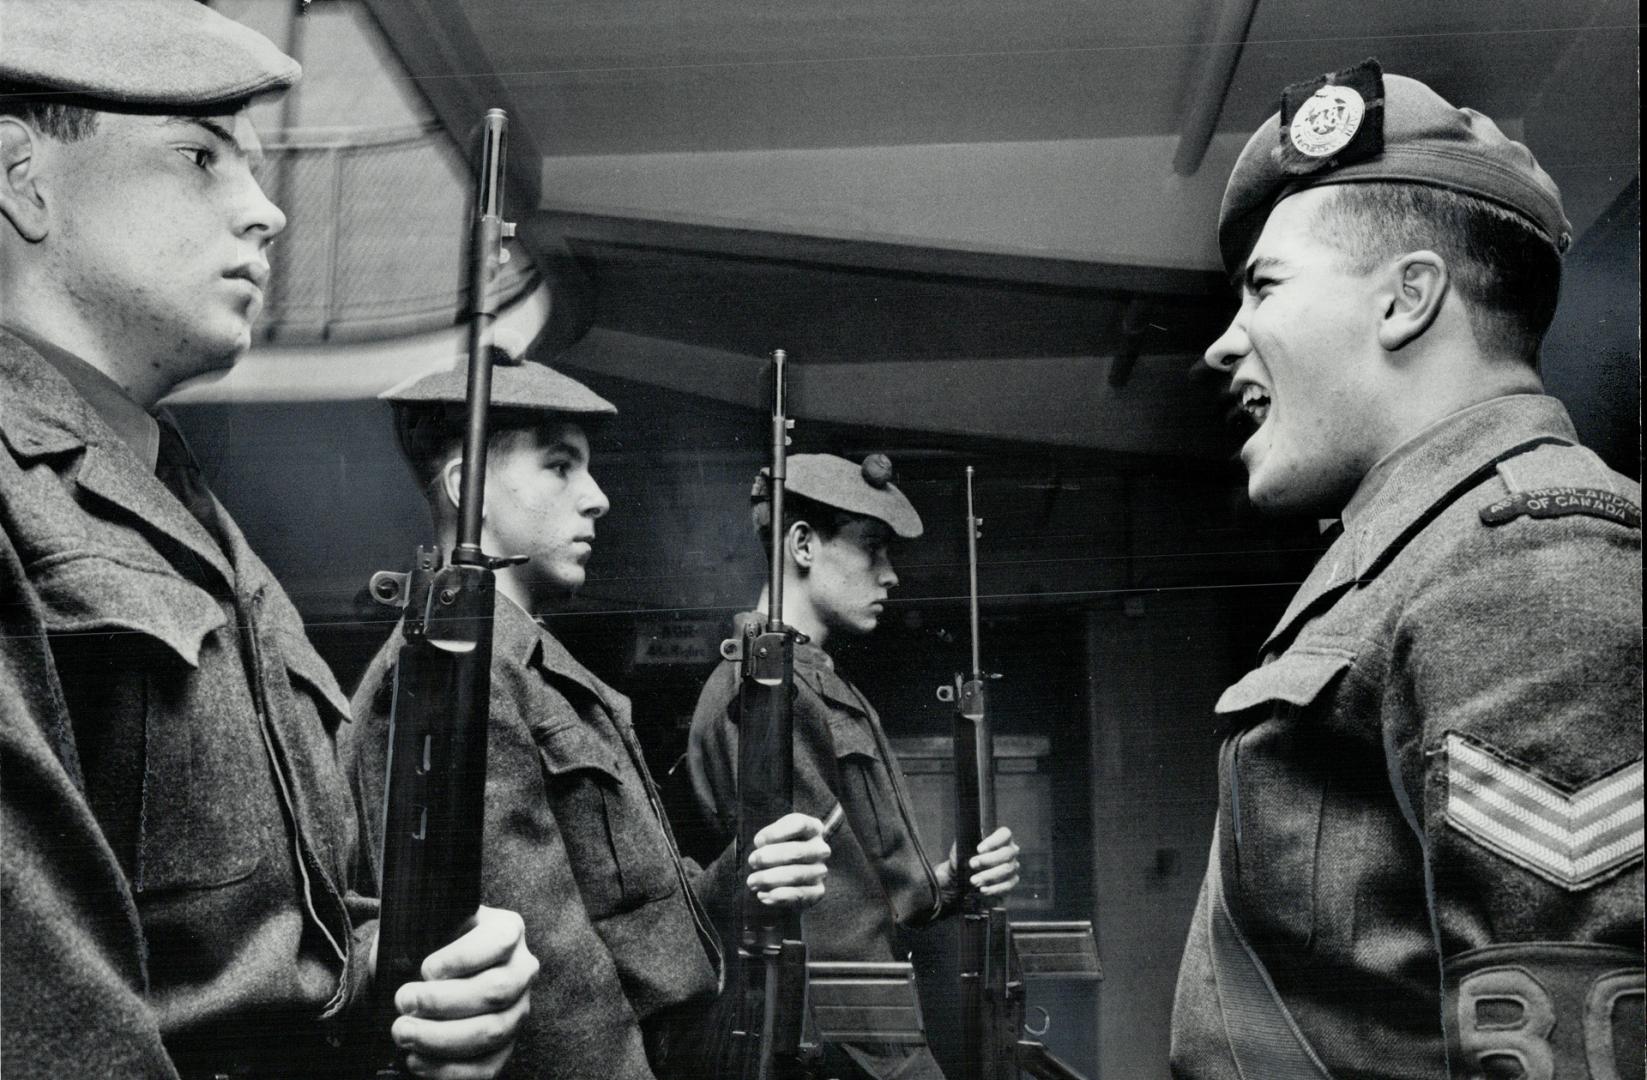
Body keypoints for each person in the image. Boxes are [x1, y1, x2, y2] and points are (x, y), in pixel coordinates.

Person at [0, 2, 537, 1077]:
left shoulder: (188, 515)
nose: (268, 214)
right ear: (22, 179)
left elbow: (269, 945)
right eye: (198, 157)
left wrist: (417, 982)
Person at [1171, 58, 1643, 1079]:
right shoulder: (1424, 556)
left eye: (1263, 289)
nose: (1223, 344)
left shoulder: (1527, 561)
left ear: (1408, 299)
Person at [340, 356, 834, 1080]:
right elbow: (548, 989)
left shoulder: (531, 668)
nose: (597, 498)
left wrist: (742, 875)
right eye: (561, 466)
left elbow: (635, 926)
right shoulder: (456, 678)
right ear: (466, 491)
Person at [687, 453, 1023, 1079]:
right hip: (837, 1048)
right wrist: (907, 1070)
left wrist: (950, 877)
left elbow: (867, 884)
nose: (891, 575)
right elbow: (831, 929)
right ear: (804, 544)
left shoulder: (816, 684)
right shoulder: (764, 693)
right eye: (873, 548)